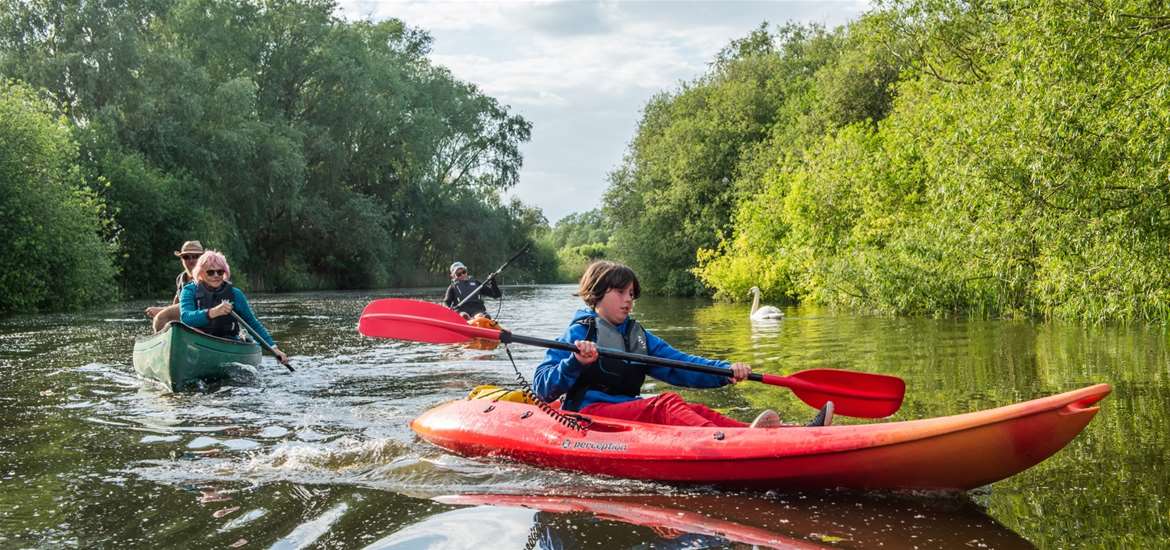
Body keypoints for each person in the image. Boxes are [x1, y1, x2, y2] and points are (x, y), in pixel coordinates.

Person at [532, 260, 832, 428]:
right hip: (587, 414)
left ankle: (781, 435)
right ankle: (739, 446)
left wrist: (726, 371)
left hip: (624, 410)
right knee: (666, 405)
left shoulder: (638, 336)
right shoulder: (578, 333)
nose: (629, 301)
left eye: (632, 294)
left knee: (698, 409)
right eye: (621, 292)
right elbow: (542, 387)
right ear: (596, 294)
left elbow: (682, 366)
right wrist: (574, 362)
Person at [178, 249, 289, 365]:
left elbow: (252, 323)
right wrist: (212, 312)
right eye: (210, 272)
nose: (216, 276)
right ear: (200, 273)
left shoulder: (235, 294)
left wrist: (274, 348)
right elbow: (186, 317)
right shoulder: (189, 291)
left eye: (220, 272)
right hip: (199, 338)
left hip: (228, 339)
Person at [144, 240, 204, 333]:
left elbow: (198, 304)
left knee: (161, 318)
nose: (191, 260)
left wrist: (162, 310)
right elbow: (175, 304)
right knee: (162, 319)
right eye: (186, 257)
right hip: (186, 317)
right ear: (182, 259)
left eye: (195, 256)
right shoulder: (180, 278)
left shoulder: (207, 276)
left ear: (202, 258)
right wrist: (167, 310)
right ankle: (163, 343)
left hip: (201, 315)